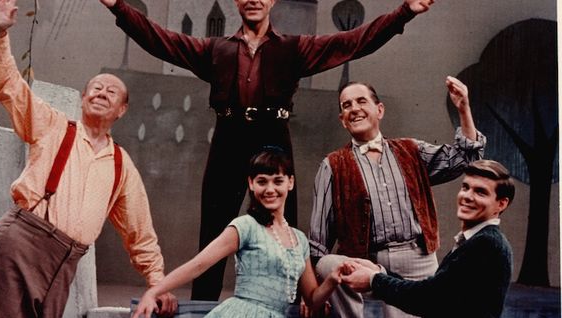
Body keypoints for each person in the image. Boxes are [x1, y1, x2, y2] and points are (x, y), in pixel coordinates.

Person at [99, 0, 438, 301]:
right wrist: (119, 7)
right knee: (215, 231)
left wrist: (403, 13)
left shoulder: (293, 49)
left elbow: (352, 42)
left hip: (273, 137)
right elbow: (164, 42)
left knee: (283, 229)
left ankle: (290, 304)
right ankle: (204, 310)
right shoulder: (216, 49)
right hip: (228, 138)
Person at [0, 1, 177, 318]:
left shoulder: (121, 164)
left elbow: (140, 233)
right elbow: (9, 85)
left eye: (110, 92)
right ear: (84, 98)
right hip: (22, 244)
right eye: (95, 88)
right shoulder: (55, 126)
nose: (100, 93)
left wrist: (158, 282)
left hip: (65, 262)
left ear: (122, 110)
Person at [306, 77, 486, 318]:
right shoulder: (332, 165)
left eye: (361, 101)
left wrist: (464, 109)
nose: (354, 108)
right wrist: (311, 293)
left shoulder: (411, 151)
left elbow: (464, 159)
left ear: (380, 110)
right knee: (329, 263)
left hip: (417, 263)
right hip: (366, 261)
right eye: (346, 105)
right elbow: (317, 245)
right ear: (343, 120)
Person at [127, 148, 350, 318]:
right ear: (251, 184)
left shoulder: (299, 240)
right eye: (262, 181)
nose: (270, 189)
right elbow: (199, 265)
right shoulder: (245, 226)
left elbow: (312, 298)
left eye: (278, 181)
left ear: (290, 183)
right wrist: (154, 292)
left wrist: (331, 280)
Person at [344, 159, 515, 318]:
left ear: (501, 204)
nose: (467, 196)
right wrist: (379, 272)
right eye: (465, 187)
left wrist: (373, 280)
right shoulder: (477, 241)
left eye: (480, 192)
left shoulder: (486, 244)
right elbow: (439, 291)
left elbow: (428, 298)